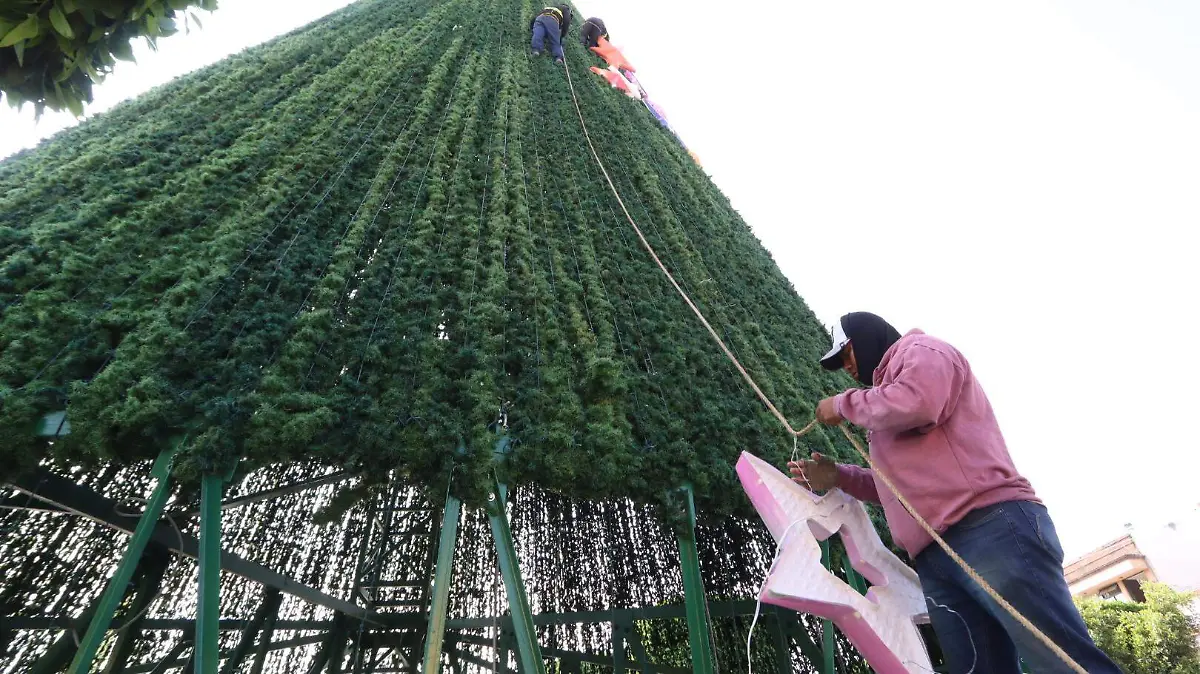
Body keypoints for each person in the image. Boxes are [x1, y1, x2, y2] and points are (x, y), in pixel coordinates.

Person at [790, 312, 1120, 674]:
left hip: (988, 529)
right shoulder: (884, 402)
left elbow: (919, 401)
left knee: (1061, 663)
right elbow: (896, 487)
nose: (847, 368)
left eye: (847, 354)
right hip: (938, 557)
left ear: (868, 338)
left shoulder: (919, 350)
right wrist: (838, 475)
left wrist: (842, 404)